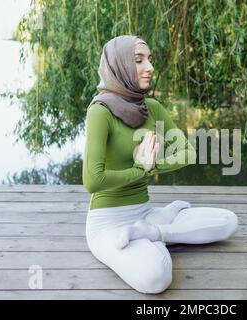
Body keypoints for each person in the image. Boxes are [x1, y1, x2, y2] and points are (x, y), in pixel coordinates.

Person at [82, 35, 239, 294]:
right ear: (119, 66)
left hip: (146, 212)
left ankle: (154, 233)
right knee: (155, 279)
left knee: (228, 221)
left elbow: (188, 153)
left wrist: (151, 166)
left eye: (150, 60)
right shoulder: (100, 112)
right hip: (107, 223)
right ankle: (158, 231)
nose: (150, 67)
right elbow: (92, 180)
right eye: (138, 60)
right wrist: (138, 169)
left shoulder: (152, 107)